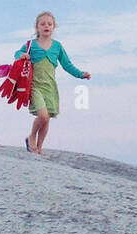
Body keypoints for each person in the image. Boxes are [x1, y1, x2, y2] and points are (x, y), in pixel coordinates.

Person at [17, 12, 90, 155]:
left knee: (47, 119)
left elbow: (67, 65)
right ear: (37, 27)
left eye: (49, 24)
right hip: (34, 86)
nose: (46, 26)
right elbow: (17, 53)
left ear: (54, 27)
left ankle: (38, 149)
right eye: (42, 24)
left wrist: (81, 74)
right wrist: (22, 55)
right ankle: (31, 137)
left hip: (50, 87)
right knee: (42, 116)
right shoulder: (30, 45)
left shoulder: (57, 46)